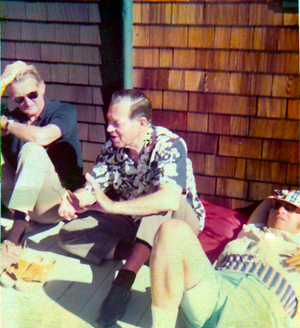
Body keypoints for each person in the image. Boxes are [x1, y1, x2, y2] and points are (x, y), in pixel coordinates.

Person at [57, 89, 206, 327]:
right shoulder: (112, 149)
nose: (109, 129)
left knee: (162, 202)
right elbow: (93, 186)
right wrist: (76, 200)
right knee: (68, 233)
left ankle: (124, 280)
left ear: (141, 124)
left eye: (116, 123)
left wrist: (112, 207)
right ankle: (143, 251)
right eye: (108, 122)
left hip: (177, 221)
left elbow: (168, 201)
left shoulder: (168, 145)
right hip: (134, 219)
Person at [150, 189, 300, 328]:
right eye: (277, 206)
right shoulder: (251, 232)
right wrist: (275, 200)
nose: (280, 210)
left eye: (290, 208)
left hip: (262, 308)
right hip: (217, 289)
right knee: (172, 229)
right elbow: (267, 202)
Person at [0, 61, 84, 274]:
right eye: (19, 99)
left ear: (42, 88)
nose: (27, 103)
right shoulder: (15, 117)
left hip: (53, 206)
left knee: (33, 149)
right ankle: (18, 225)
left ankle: (14, 239)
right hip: (20, 200)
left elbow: (42, 137)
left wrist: (7, 125)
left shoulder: (63, 111)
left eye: (32, 95)